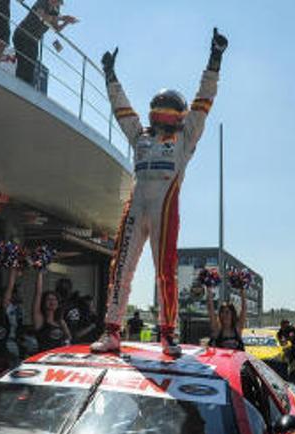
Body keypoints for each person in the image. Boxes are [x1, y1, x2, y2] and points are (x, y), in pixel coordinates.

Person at [90, 28, 228, 356]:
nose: (164, 111)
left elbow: (203, 102)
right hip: (136, 207)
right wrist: (110, 76)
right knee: (120, 267)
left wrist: (214, 61)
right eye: (162, 106)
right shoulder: (140, 136)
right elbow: (121, 109)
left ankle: (168, 333)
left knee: (165, 271)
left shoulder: (185, 138)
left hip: (166, 209)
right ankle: (112, 331)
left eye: (168, 106)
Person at [12, 0, 77, 86]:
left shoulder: (56, 9)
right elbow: (41, 16)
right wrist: (62, 18)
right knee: (24, 63)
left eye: (59, 3)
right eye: (58, 2)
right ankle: (19, 87)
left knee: (30, 65)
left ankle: (24, 87)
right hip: (23, 34)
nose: (57, 5)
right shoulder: (42, 2)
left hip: (33, 39)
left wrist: (66, 22)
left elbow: (56, 28)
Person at [33, 269, 71, 352]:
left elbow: (69, 338)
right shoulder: (40, 320)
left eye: (54, 299)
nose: (52, 302)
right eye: (49, 299)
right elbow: (38, 293)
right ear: (43, 303)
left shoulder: (60, 321)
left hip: (59, 357)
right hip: (45, 359)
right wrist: (40, 273)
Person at [206, 285, 247, 350]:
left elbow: (244, 309)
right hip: (220, 360)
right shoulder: (217, 329)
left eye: (227, 312)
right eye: (222, 312)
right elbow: (210, 308)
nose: (224, 315)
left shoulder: (237, 329)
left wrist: (242, 289)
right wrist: (209, 289)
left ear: (232, 314)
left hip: (235, 360)